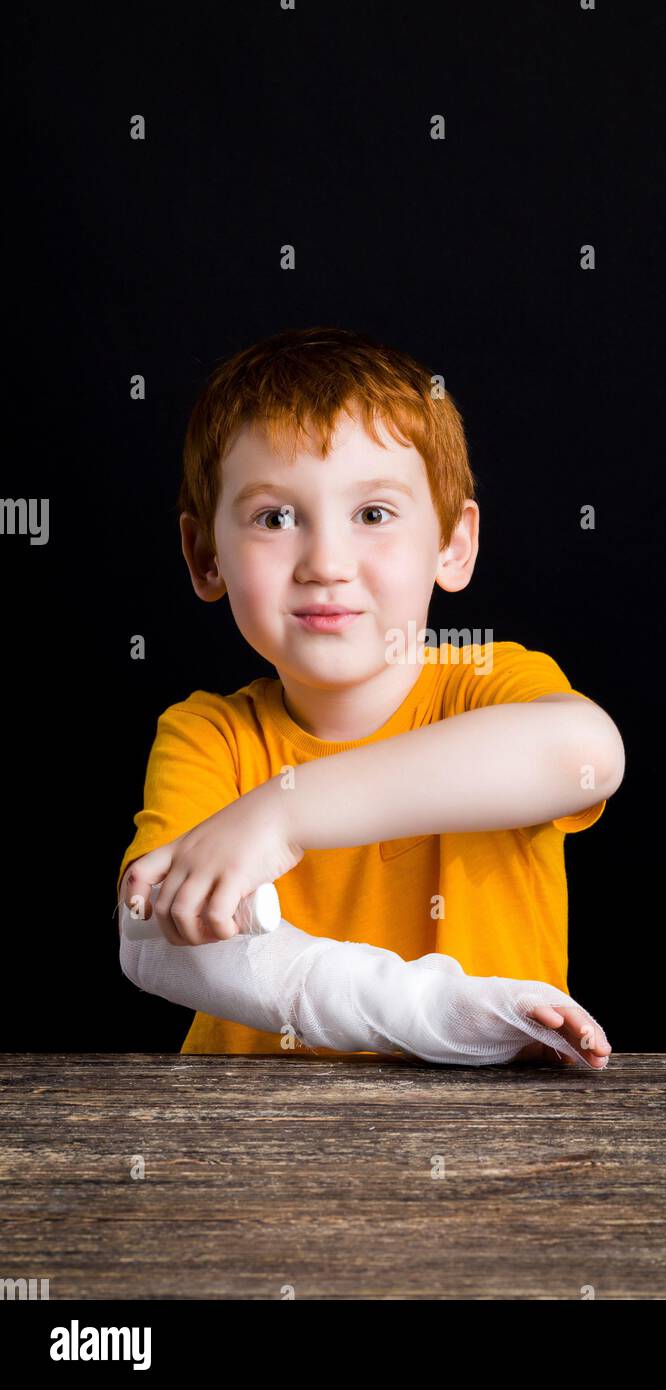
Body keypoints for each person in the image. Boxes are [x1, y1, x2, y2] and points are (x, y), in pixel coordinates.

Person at [117, 325, 625, 1066]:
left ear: (453, 544)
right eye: (274, 518)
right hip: (248, 1145)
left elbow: (585, 755)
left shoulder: (491, 689)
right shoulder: (209, 735)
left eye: (373, 514)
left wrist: (285, 810)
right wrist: (428, 1011)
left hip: (493, 1138)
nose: (325, 562)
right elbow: (155, 942)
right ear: (205, 557)